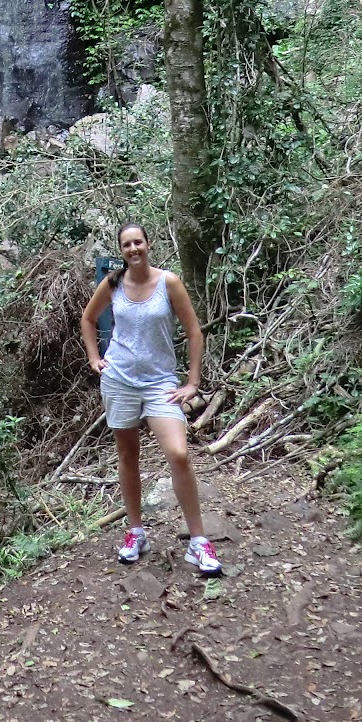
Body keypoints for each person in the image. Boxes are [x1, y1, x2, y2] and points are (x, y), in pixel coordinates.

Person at [80, 223, 222, 573]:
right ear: (122, 250)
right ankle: (136, 531)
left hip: (160, 383)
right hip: (119, 381)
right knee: (128, 456)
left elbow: (192, 331)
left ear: (148, 243)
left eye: (138, 242)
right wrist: (94, 357)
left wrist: (192, 382)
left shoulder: (168, 282)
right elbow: (88, 318)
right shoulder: (113, 284)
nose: (133, 249)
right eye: (126, 244)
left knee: (179, 454)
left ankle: (199, 541)